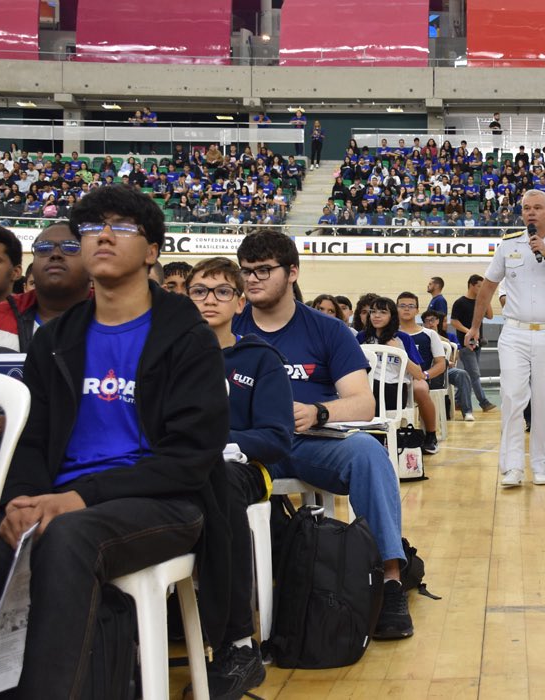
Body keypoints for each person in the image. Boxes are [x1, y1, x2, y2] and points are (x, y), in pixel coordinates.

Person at [0, 183, 232, 697]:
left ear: (152, 251)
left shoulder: (188, 338)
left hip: (161, 503)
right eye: (93, 227)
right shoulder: (57, 339)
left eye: (122, 227)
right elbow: (30, 440)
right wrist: (21, 501)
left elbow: (190, 458)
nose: (103, 236)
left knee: (67, 539)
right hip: (60, 499)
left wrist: (78, 498)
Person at [232, 229, 414, 639]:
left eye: (264, 270)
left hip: (308, 441)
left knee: (367, 452)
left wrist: (319, 411)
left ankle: (389, 581)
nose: (253, 279)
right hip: (248, 447)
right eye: (246, 271)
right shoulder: (230, 325)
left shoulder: (327, 330)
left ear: (292, 272)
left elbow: (362, 403)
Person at [186, 256, 291, 697]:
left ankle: (238, 645)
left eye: (222, 291)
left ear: (240, 302)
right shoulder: (164, 356)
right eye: (199, 291)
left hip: (242, 470)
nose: (209, 299)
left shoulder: (260, 358)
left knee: (220, 484)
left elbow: (277, 438)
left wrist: (217, 443)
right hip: (176, 468)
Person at [466, 190, 545, 487]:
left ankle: (541, 466)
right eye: (526, 208)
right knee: (511, 397)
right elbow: (488, 287)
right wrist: (475, 327)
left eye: (537, 208)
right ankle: (512, 467)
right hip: (514, 332)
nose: (531, 212)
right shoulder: (508, 244)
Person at [0, 222, 92, 352]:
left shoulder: (111, 318)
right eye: (43, 248)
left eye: (70, 247)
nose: (55, 254)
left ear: (92, 265)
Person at [359, 295, 439, 455]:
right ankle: (374, 444)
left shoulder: (403, 339)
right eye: (373, 312)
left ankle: (378, 443)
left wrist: (399, 352)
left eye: (383, 312)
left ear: (392, 316)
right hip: (368, 389)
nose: (376, 316)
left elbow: (418, 374)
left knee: (373, 390)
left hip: (394, 390)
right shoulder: (362, 338)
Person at [449, 274, 496, 413]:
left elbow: (490, 315)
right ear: (471, 285)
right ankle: (484, 402)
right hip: (465, 343)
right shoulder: (460, 302)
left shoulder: (480, 302)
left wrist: (487, 298)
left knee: (470, 374)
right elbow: (454, 321)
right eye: (479, 286)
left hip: (477, 343)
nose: (481, 289)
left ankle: (458, 401)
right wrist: (469, 331)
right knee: (474, 374)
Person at [421, 309, 476, 421]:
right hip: (425, 371)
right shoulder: (421, 339)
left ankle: (467, 412)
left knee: (462, 374)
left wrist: (447, 362)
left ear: (437, 321)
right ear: (424, 324)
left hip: (444, 371)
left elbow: (452, 360)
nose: (430, 323)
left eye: (432, 320)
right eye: (427, 321)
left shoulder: (445, 340)